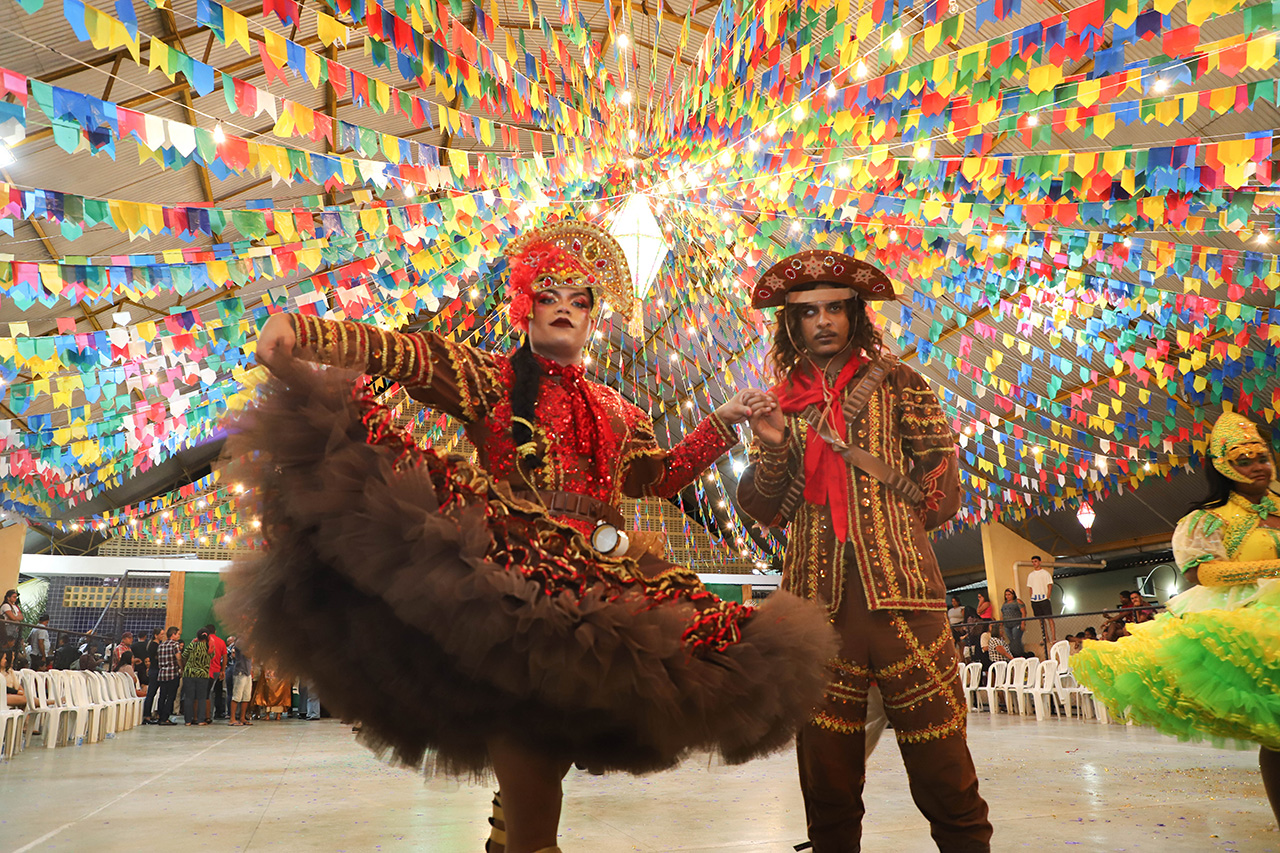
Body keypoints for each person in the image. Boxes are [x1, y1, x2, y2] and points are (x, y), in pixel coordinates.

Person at [226, 219, 837, 853]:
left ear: (593, 318)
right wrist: (308, 333)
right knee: (535, 743)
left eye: (580, 300)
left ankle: (507, 835)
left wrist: (722, 422)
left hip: (606, 588)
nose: (566, 309)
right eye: (551, 296)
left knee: (558, 743)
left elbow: (658, 478)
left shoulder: (620, 409)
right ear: (526, 306)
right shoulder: (489, 380)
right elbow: (406, 353)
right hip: (517, 586)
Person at [737, 250, 991, 852]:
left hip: (904, 597)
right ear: (790, 324)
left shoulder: (900, 381)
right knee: (825, 781)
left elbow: (943, 486)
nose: (822, 321)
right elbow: (764, 507)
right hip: (814, 612)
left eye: (834, 308)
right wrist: (774, 447)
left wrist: (891, 528)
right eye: (806, 313)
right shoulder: (776, 403)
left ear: (854, 314)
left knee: (944, 767)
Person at [1073, 411, 1280, 826]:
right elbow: (1200, 572)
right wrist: (1274, 568)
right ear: (1223, 466)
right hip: (1252, 625)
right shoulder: (1208, 518)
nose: (1258, 466)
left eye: (1263, 456)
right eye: (1244, 459)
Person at [181, 629, 213, 726]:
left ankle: (187, 721)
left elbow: (184, 655)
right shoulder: (210, 647)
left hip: (189, 674)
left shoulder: (192, 645)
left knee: (189, 698)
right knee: (201, 698)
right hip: (203, 675)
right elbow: (212, 656)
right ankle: (200, 720)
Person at [153, 627, 182, 725]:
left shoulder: (161, 645)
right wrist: (181, 667)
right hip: (172, 673)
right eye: (178, 634)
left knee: (162, 696)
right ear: (173, 634)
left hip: (162, 673)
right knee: (171, 696)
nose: (179, 636)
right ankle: (165, 718)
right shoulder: (175, 645)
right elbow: (178, 657)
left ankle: (160, 716)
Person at [1025, 556, 1056, 643]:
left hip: (1044, 599)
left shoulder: (1045, 573)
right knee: (1041, 620)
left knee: (1049, 618)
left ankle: (1053, 638)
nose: (1034, 563)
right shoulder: (1031, 575)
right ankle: (1045, 638)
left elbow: (1050, 585)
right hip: (1035, 600)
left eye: (1035, 561)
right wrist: (1031, 597)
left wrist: (1047, 597)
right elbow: (1030, 587)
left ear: (1040, 562)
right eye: (1033, 562)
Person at [227, 636, 253, 726]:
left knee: (246, 696)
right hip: (240, 672)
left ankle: (242, 717)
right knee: (236, 696)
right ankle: (232, 718)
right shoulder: (240, 641)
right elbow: (248, 654)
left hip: (247, 672)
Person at [206, 624, 227, 722]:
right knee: (218, 692)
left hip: (206, 670)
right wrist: (223, 670)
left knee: (207, 693)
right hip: (217, 670)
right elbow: (225, 657)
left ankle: (207, 715)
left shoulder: (204, 641)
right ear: (215, 631)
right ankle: (218, 712)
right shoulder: (221, 642)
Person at [141, 628, 162, 723]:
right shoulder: (154, 645)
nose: (163, 636)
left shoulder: (152, 645)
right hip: (155, 671)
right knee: (151, 693)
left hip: (153, 670)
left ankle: (148, 714)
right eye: (161, 634)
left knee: (151, 693)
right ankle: (147, 715)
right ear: (156, 635)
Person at [999, 589, 1026, 657]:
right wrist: (1001, 625)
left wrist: (1023, 623)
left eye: (1009, 595)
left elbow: (1024, 612)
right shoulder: (1004, 604)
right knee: (1011, 640)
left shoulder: (1018, 601)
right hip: (1007, 625)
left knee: (1016, 639)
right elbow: (1002, 614)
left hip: (1016, 624)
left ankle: (1020, 654)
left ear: (1013, 595)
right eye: (1006, 595)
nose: (1007, 596)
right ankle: (1014, 654)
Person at [0, 589, 22, 657]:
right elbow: (13, 617)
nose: (15, 599)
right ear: (8, 598)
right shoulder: (6, 606)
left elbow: (21, 617)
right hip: (7, 628)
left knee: (12, 645)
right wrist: (15, 618)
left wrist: (15, 618)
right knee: (6, 644)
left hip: (14, 628)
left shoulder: (15, 607)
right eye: (14, 597)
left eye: (16, 597)